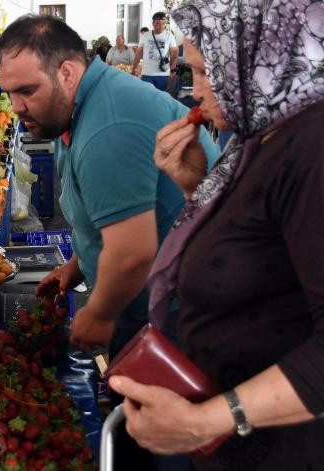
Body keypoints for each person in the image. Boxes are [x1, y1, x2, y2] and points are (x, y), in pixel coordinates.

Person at [0, 15, 219, 470]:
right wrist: (78, 264)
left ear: (66, 72)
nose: (17, 106)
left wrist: (99, 314)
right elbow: (106, 212)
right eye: (10, 93)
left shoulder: (107, 124)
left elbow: (133, 252)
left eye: (27, 91)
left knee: (167, 440)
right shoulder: (79, 107)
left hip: (175, 309)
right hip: (150, 297)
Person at [109, 1, 324, 471]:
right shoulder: (260, 135)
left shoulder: (313, 148)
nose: (196, 91)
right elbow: (255, 251)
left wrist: (209, 421)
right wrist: (194, 186)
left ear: (264, 57)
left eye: (207, 72)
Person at [132, 12, 178, 91]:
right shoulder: (145, 35)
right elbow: (138, 54)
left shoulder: (169, 35)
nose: (161, 26)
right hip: (147, 74)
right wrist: (133, 69)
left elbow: (174, 54)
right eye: (157, 23)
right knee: (147, 96)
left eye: (163, 23)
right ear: (153, 23)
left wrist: (173, 69)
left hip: (163, 74)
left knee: (160, 97)